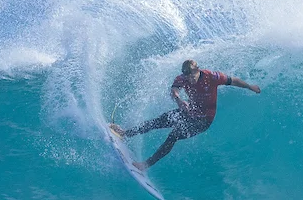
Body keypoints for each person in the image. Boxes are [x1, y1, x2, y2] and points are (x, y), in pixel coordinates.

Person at [110, 59, 261, 170]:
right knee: (158, 121)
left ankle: (146, 164)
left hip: (203, 121)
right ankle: (125, 133)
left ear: (198, 70)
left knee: (173, 135)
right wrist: (179, 100)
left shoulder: (212, 77)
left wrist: (250, 86)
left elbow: (233, 80)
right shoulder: (182, 78)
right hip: (188, 112)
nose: (190, 80)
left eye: (192, 77)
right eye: (187, 77)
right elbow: (174, 90)